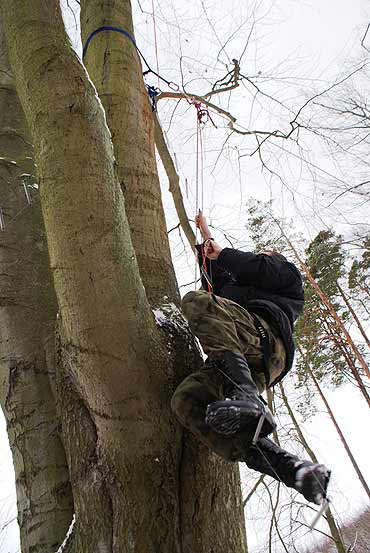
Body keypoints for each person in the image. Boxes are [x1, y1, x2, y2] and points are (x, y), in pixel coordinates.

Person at [171, 211, 331, 506]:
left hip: (263, 338)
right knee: (186, 399)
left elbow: (258, 267)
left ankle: (243, 394)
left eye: (265, 253)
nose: (262, 255)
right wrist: (206, 239)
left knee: (196, 301)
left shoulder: (286, 276)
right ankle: (292, 469)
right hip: (249, 362)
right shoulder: (239, 290)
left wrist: (224, 253)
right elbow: (216, 284)